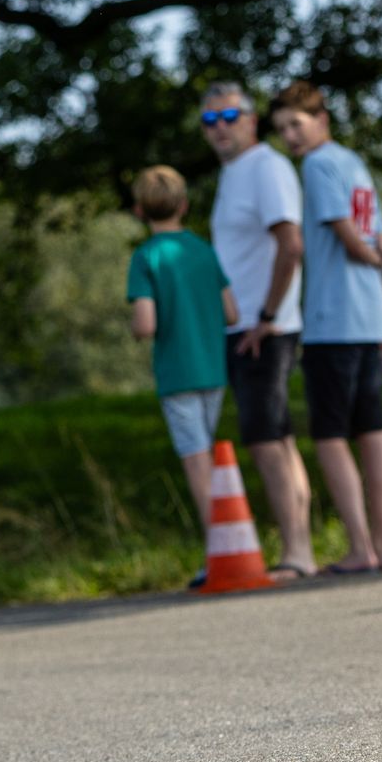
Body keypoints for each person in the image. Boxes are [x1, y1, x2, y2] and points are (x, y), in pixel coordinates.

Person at [269, 80, 382, 574]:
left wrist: (372, 263)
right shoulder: (355, 162)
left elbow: (351, 238)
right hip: (371, 319)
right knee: (373, 430)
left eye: (296, 125)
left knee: (331, 435)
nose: (291, 138)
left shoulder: (320, 165)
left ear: (321, 118)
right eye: (283, 130)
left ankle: (362, 547)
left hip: (333, 320)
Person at [201, 81, 317, 580]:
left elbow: (291, 245)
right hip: (245, 326)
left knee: (267, 439)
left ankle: (297, 552)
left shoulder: (266, 167)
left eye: (229, 117)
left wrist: (268, 317)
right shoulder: (235, 173)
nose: (220, 128)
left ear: (251, 119)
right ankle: (299, 549)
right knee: (278, 438)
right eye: (210, 120)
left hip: (262, 328)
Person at [126, 167, 238, 575]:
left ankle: (220, 552)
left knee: (196, 462)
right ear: (184, 205)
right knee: (208, 451)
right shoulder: (204, 250)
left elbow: (146, 324)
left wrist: (135, 328)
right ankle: (231, 542)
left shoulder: (146, 256)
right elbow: (231, 311)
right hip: (213, 367)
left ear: (140, 211)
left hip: (177, 374)